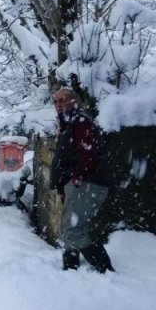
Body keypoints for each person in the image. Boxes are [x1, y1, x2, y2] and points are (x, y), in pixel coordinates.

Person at [49, 87, 115, 273]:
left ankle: (106, 270)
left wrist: (77, 179)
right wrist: (65, 184)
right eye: (55, 101)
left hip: (88, 183)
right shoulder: (69, 123)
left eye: (63, 100)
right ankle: (70, 270)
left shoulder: (81, 121)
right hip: (81, 184)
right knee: (68, 227)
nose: (58, 104)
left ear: (74, 101)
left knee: (74, 230)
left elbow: (89, 154)